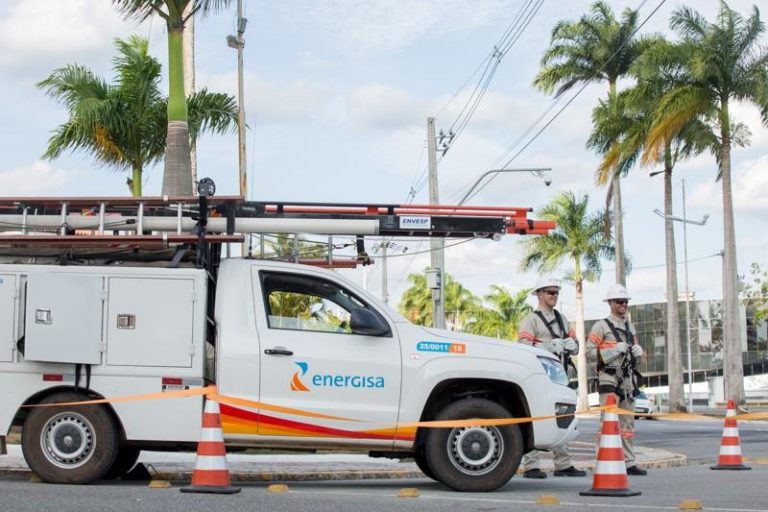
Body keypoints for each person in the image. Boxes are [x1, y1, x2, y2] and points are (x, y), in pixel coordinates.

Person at [517, 276, 586, 479]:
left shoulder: (562, 319)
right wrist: (546, 347)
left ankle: (563, 464)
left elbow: (574, 344)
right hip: (537, 377)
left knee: (563, 417)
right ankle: (531, 466)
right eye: (550, 292)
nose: (554, 296)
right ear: (539, 294)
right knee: (535, 418)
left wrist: (574, 345)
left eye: (556, 292)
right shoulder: (531, 320)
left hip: (559, 375)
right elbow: (522, 347)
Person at [586, 283, 648, 476]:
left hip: (627, 380)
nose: (623, 305)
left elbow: (637, 354)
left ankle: (628, 462)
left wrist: (639, 352)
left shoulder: (630, 327)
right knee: (608, 422)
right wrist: (614, 350)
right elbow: (589, 352)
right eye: (620, 302)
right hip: (609, 379)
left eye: (625, 302)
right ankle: (602, 459)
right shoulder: (601, 326)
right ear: (611, 303)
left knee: (628, 423)